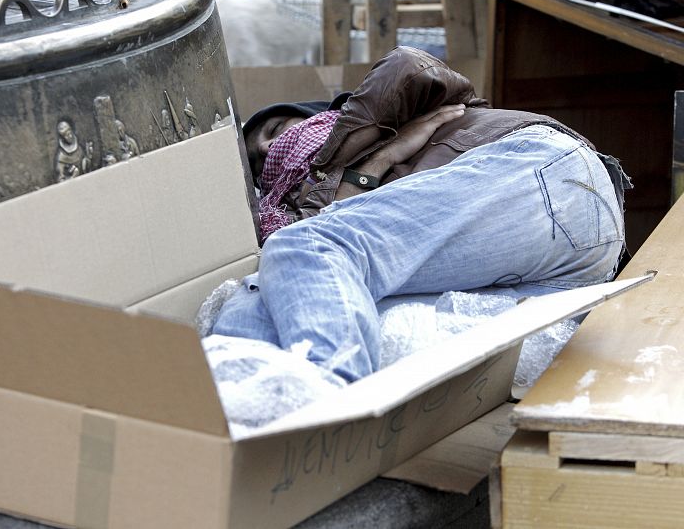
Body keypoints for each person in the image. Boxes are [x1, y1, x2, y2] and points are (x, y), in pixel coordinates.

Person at [212, 46, 631, 384]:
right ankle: (233, 427)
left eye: (275, 130)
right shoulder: (317, 198)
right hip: (564, 265)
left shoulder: (381, 118)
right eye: (257, 163)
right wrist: (375, 165)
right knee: (256, 300)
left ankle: (328, 426)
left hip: (542, 174)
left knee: (303, 246)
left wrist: (363, 145)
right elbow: (315, 259)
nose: (268, 150)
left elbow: (409, 65)